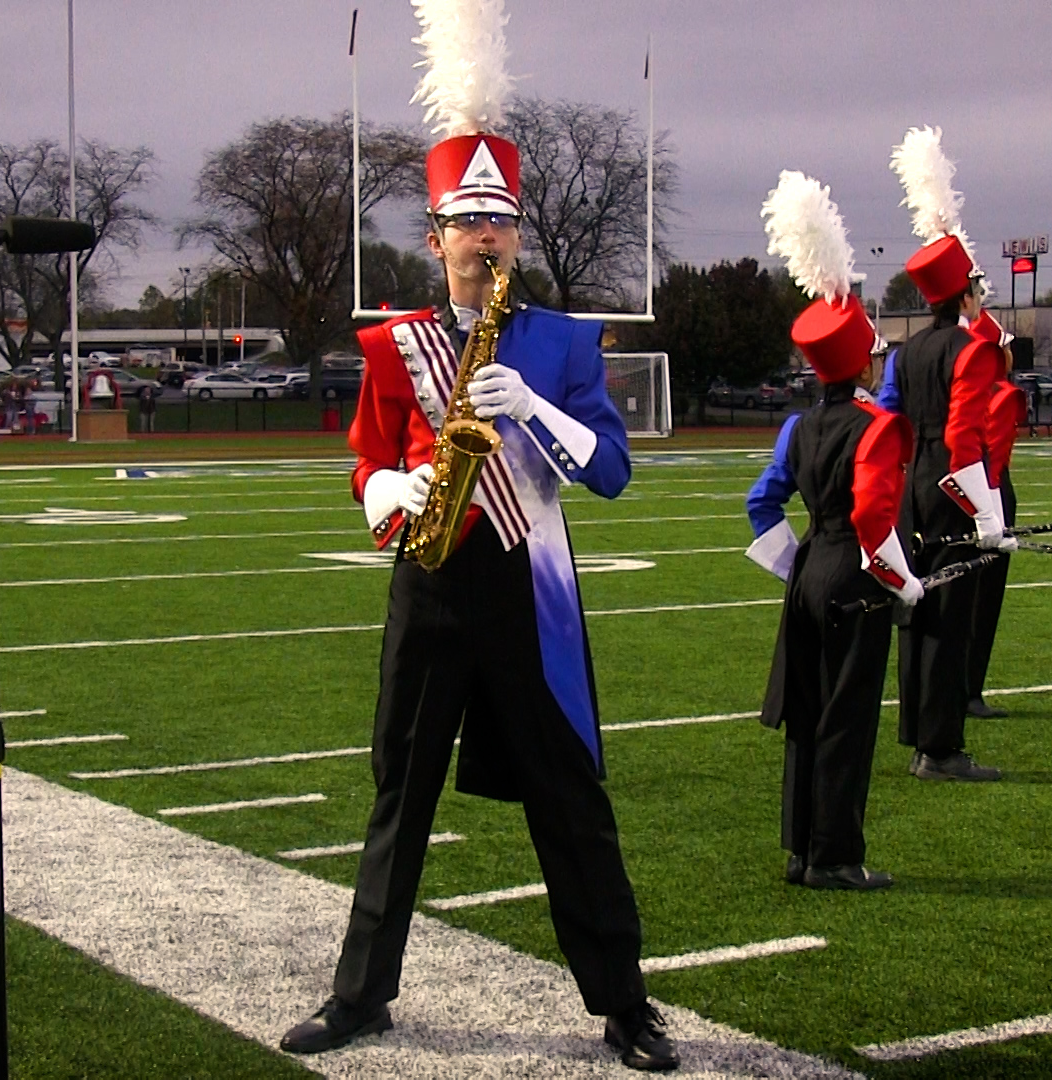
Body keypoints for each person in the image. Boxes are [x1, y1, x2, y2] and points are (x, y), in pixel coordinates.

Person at [279, 20, 675, 1068]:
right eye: (470, 223)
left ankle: (624, 1003)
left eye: (502, 224)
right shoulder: (391, 345)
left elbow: (616, 472)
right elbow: (365, 464)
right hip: (431, 581)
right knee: (398, 790)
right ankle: (361, 994)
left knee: (570, 797)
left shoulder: (564, 340)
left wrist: (537, 411)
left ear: (516, 236)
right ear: (438, 233)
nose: (486, 240)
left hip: (529, 587)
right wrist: (392, 490)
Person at [746, 170, 922, 891]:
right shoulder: (877, 428)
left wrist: (797, 566)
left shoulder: (797, 425)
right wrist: (906, 582)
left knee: (805, 715)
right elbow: (876, 523)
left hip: (811, 573)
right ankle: (837, 857)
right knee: (847, 719)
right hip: (855, 576)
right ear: (861, 360)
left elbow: (762, 504)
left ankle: (799, 849)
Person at [884, 126, 1013, 782]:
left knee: (919, 608)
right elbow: (966, 438)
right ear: (963, 295)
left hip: (912, 483)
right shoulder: (972, 350)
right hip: (951, 484)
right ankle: (941, 748)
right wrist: (987, 514)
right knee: (953, 613)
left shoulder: (908, 352)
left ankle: (919, 734)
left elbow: (897, 424)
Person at [964, 310, 1026, 718]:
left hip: (955, 493)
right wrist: (997, 522)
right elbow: (994, 465)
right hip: (988, 495)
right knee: (980, 606)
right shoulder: (999, 393)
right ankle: (970, 690)